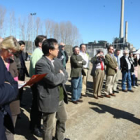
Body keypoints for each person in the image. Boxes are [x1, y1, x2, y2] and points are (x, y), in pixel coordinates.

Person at [35, 38, 69, 140]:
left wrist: (61, 76)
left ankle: (60, 138)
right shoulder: (41, 64)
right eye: (57, 48)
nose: (59, 50)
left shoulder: (58, 61)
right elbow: (53, 80)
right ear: (50, 50)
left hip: (60, 97)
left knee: (62, 119)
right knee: (48, 126)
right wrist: (61, 76)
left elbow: (66, 75)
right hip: (49, 99)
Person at [0, 36, 18, 140]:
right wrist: (8, 87)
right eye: (10, 51)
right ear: (3, 47)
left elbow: (14, 84)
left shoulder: (2, 62)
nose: (11, 55)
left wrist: (9, 86)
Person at [29, 35, 47, 137]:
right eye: (45, 42)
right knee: (36, 107)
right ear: (40, 44)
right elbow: (38, 70)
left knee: (37, 106)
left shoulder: (40, 52)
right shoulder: (37, 53)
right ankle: (35, 127)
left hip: (38, 82)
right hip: (37, 83)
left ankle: (34, 126)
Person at [17, 41, 29, 105]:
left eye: (24, 46)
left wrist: (27, 73)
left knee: (21, 88)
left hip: (22, 73)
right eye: (22, 46)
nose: (23, 47)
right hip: (18, 74)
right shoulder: (15, 54)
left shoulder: (22, 53)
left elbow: (23, 64)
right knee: (18, 89)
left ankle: (20, 101)